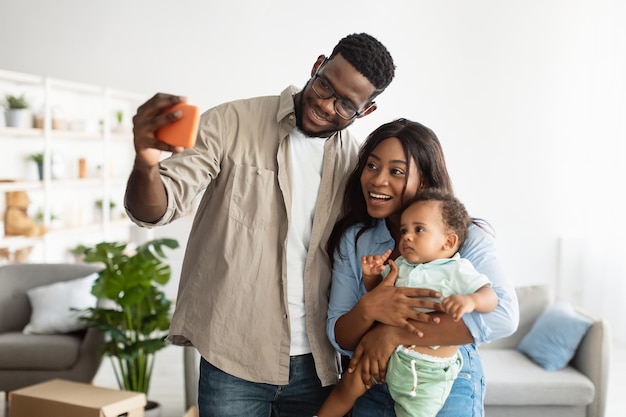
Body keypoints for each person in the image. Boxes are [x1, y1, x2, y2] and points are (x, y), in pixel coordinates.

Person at [124, 33, 396, 417]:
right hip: (233, 359)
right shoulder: (231, 122)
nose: (323, 104)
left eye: (344, 105)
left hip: (319, 366)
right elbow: (158, 207)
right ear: (317, 65)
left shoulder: (358, 166)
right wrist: (146, 163)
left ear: (366, 112)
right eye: (323, 85)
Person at [325, 118, 519, 417]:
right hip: (374, 377)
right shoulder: (354, 239)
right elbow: (339, 335)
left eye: (397, 171)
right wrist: (367, 310)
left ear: (424, 182)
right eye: (372, 166)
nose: (377, 180)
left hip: (441, 378)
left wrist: (392, 334)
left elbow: (503, 315)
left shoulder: (463, 237)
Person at [316, 189, 498, 417]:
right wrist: (372, 277)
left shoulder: (456, 270)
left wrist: (471, 300)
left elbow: (491, 298)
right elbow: (382, 300)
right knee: (349, 383)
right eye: (404, 231)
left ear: (448, 241)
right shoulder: (401, 265)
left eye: (418, 230)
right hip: (388, 356)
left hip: (425, 371)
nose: (407, 237)